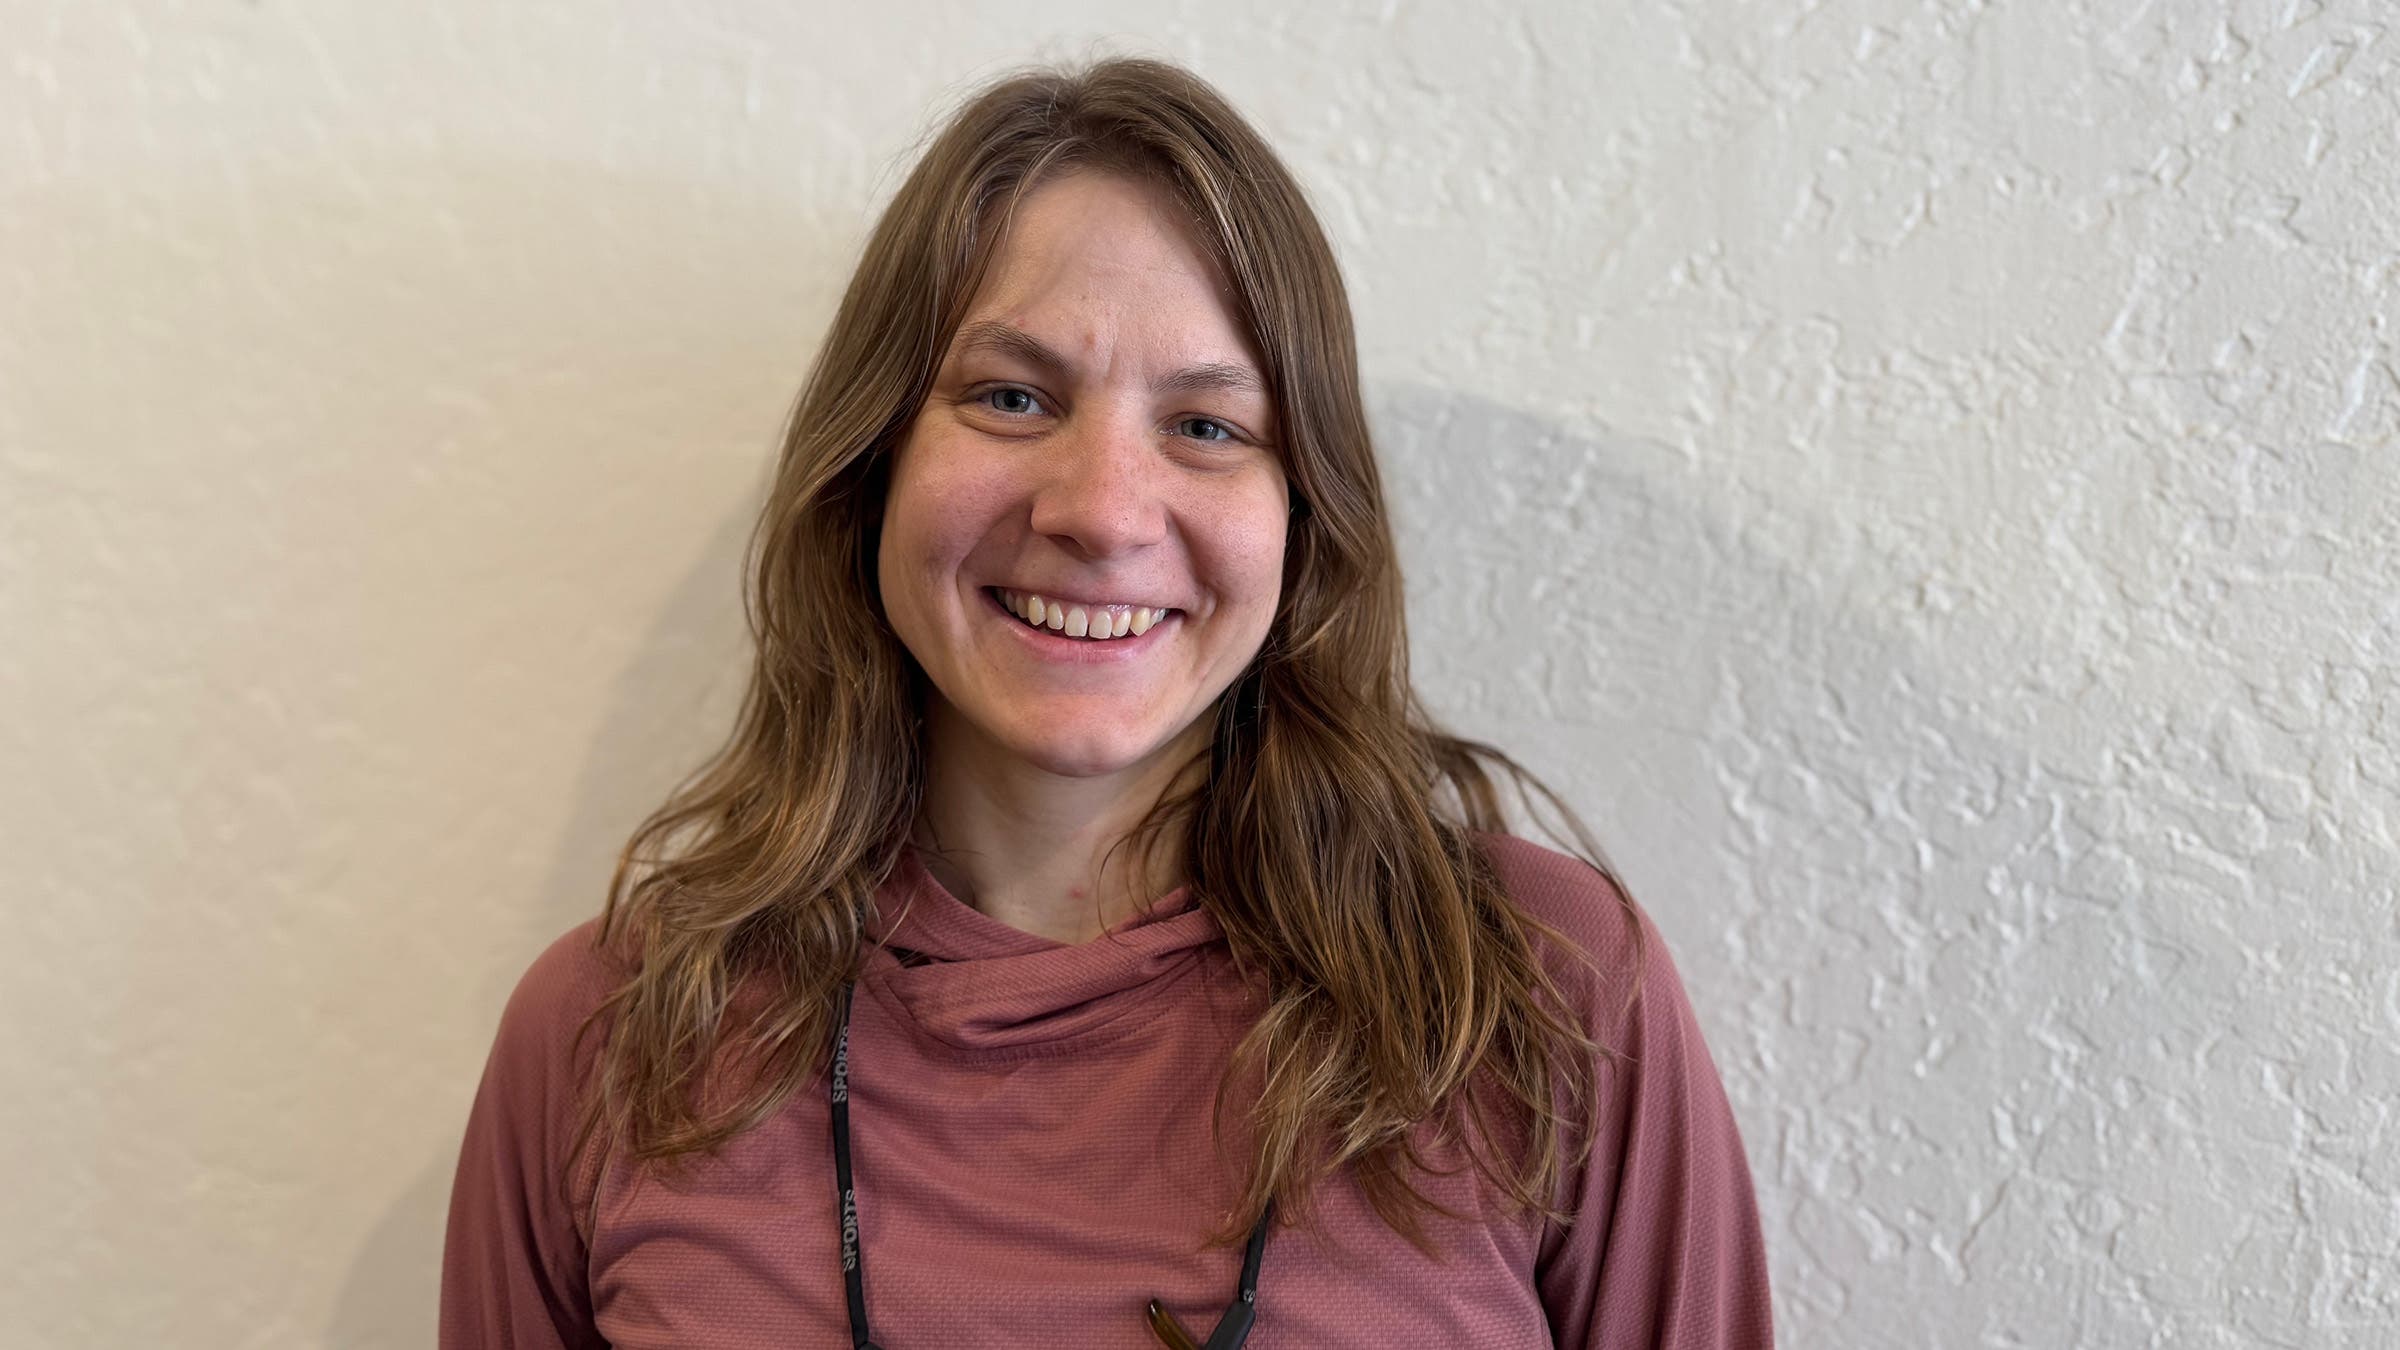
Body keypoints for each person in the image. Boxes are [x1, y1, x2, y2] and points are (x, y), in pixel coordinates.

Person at [440, 55, 1772, 1349]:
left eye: (1205, 426)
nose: (1101, 512)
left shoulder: (1540, 997)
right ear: (874, 465)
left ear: (1303, 514)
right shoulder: (610, 1039)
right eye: (1012, 397)